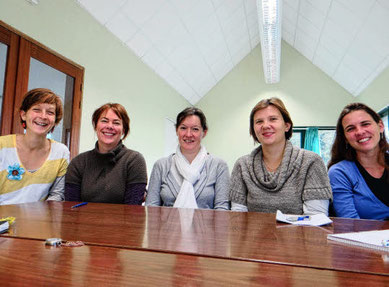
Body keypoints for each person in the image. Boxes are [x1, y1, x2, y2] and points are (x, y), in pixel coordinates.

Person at [230, 97, 332, 214]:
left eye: (273, 119)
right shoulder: (242, 165)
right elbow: (237, 216)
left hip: (299, 232)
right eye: (259, 121)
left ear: (287, 126)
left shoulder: (311, 161)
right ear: (253, 129)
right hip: (253, 232)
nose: (265, 125)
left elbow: (315, 218)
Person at [146, 107, 229, 210]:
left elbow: (222, 210)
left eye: (195, 129)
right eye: (183, 128)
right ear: (177, 130)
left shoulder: (218, 166)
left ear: (204, 132)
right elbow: (151, 208)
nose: (188, 134)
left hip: (206, 227)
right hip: (167, 226)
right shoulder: (161, 165)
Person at [65, 103, 147, 204]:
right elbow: (71, 207)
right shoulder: (78, 163)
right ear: (96, 126)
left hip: (122, 220)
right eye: (104, 121)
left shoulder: (134, 160)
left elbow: (132, 209)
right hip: (83, 219)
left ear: (123, 130)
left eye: (116, 123)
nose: (109, 126)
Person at [0, 88, 69, 205]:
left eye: (50, 112)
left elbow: (57, 195)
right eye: (36, 109)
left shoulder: (61, 152)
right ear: (23, 115)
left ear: (55, 120)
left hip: (39, 220)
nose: (43, 116)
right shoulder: (2, 146)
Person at [328, 103, 389, 220]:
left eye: (365, 124)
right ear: (345, 137)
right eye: (351, 129)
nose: (360, 132)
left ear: (380, 126)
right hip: (366, 237)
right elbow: (350, 224)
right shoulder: (340, 172)